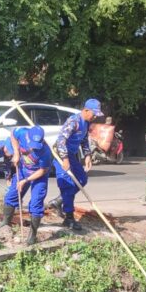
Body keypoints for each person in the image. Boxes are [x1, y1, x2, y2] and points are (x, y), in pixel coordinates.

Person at [0, 126, 53, 246]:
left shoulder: (46, 152)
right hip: (23, 170)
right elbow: (12, 133)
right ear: (27, 137)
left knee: (36, 203)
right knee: (12, 195)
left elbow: (42, 171)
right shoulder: (22, 133)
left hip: (38, 176)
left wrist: (26, 180)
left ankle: (32, 236)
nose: (34, 147)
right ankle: (5, 223)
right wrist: (17, 153)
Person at [53, 98, 101, 231]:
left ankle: (59, 201)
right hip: (61, 156)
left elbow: (84, 140)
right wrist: (65, 159)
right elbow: (61, 140)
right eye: (94, 113)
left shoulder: (86, 123)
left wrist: (87, 156)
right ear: (86, 110)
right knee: (68, 186)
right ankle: (69, 218)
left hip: (72, 156)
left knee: (82, 179)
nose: (95, 116)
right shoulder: (73, 121)